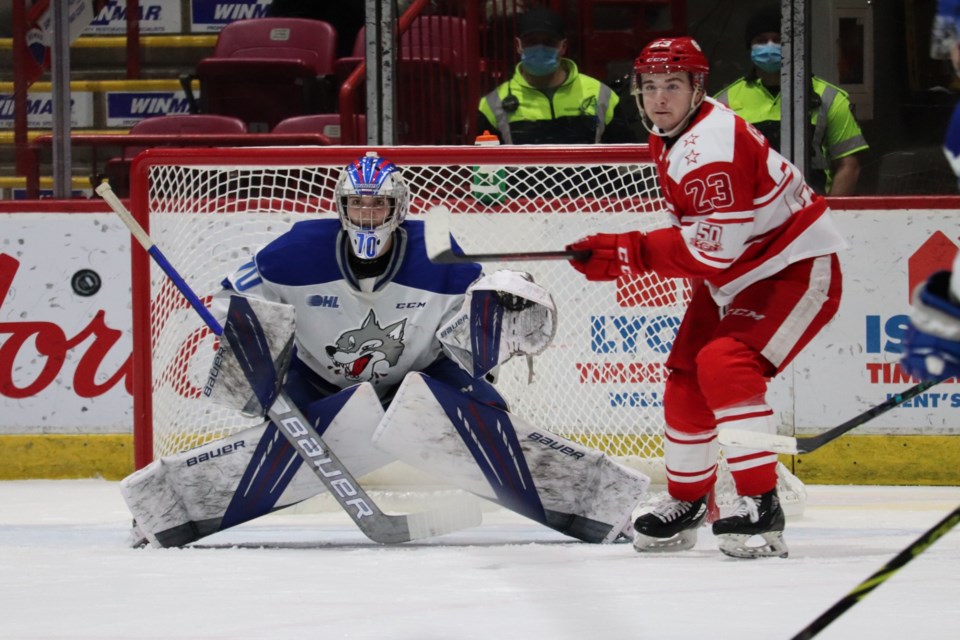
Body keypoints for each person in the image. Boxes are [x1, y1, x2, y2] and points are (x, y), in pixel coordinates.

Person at [120, 153, 649, 548]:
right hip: (318, 381)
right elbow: (232, 297)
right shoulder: (295, 250)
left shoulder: (442, 256)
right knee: (275, 437)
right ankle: (166, 507)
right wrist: (238, 331)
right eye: (358, 204)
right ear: (340, 207)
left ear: (400, 208)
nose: (367, 214)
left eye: (379, 204)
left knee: (485, 417)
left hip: (422, 375)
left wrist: (513, 300)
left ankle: (599, 504)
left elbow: (497, 327)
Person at [565, 37, 847, 559]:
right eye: (649, 86)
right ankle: (688, 499)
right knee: (686, 377)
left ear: (697, 88)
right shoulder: (669, 130)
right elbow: (711, 247)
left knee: (724, 360)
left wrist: (627, 252)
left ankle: (759, 501)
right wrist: (631, 252)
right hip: (740, 272)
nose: (659, 98)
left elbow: (712, 252)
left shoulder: (711, 147)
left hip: (793, 268)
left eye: (672, 85)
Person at [713, 4, 868, 196]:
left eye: (779, 40)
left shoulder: (829, 97)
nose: (770, 47)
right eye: (761, 41)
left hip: (810, 211)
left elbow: (848, 166)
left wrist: (828, 215)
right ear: (749, 47)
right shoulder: (723, 102)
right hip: (751, 215)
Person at [477, 6, 635, 144]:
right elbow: (485, 171)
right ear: (518, 45)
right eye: (531, 42)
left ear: (563, 46)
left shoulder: (602, 95)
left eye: (548, 42)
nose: (540, 48)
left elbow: (626, 167)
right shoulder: (492, 105)